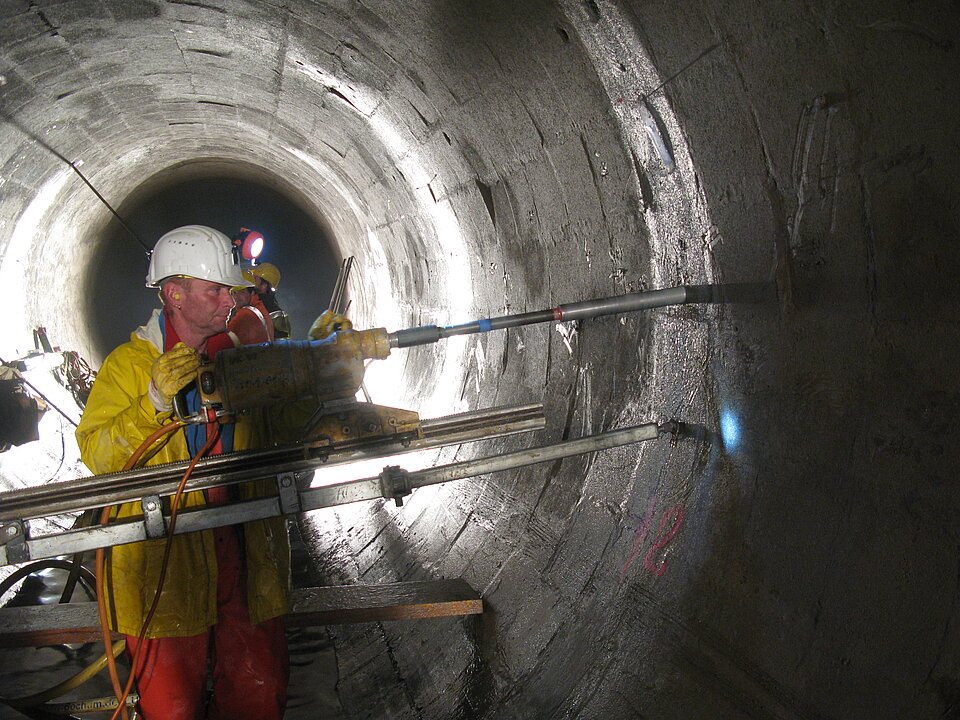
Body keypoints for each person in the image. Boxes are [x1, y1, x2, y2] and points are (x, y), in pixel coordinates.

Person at [75, 225, 290, 720]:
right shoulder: (129, 366)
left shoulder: (242, 356)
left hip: (244, 543)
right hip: (164, 561)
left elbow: (284, 429)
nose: (227, 301)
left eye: (229, 290)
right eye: (215, 290)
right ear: (174, 293)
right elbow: (96, 452)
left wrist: (322, 373)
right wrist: (152, 402)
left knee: (259, 694)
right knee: (172, 706)